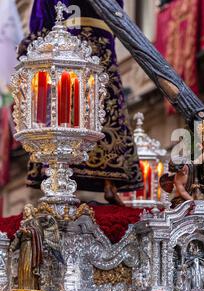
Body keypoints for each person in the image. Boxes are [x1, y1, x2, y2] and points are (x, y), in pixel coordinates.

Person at [19, 0, 142, 205]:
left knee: (71, 113)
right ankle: (108, 182)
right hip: (100, 49)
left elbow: (41, 19)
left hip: (71, 49)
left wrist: (33, 43)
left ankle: (60, 176)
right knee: (105, 111)